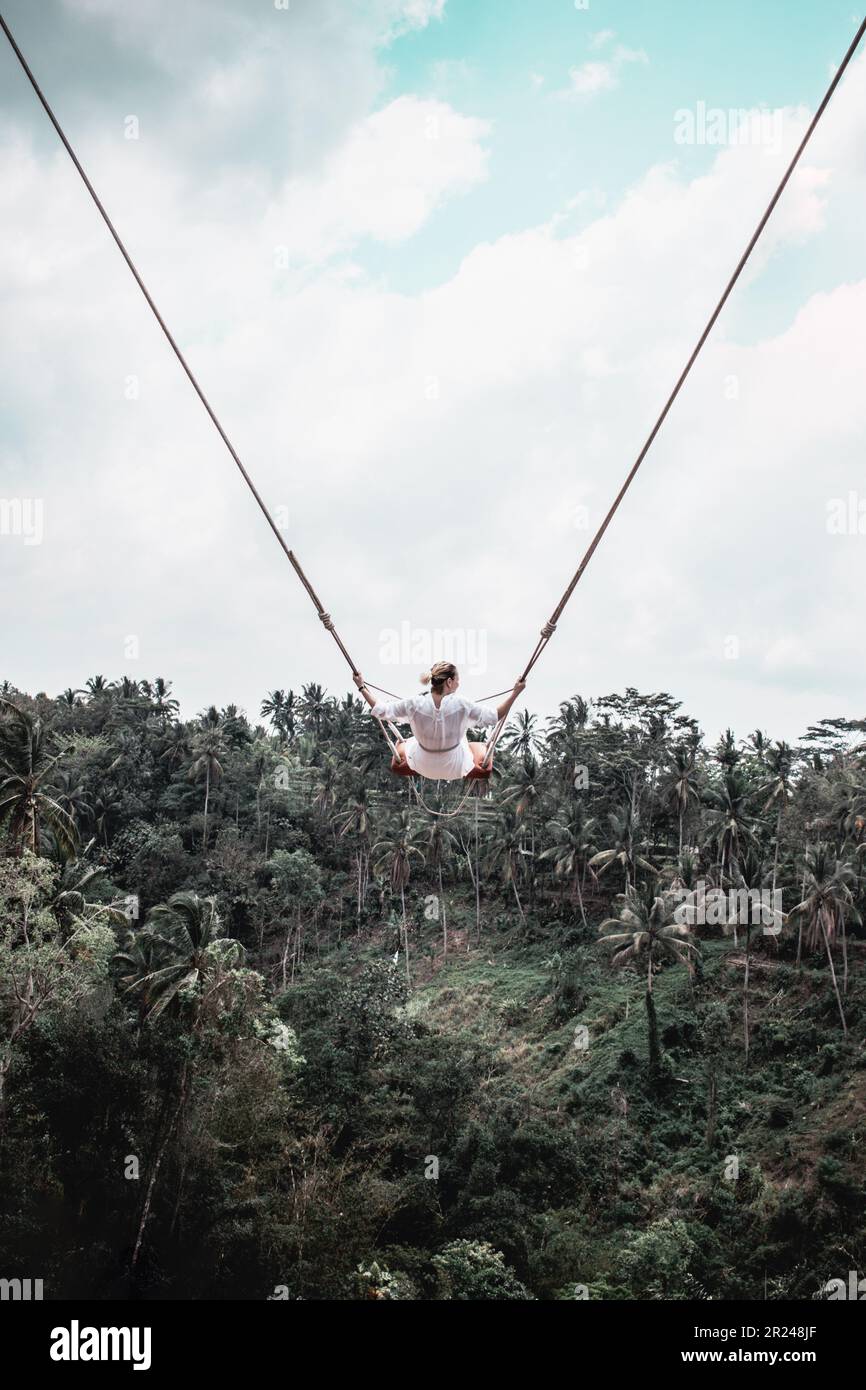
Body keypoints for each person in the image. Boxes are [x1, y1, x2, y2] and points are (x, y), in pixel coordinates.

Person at [353, 661, 526, 781]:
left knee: (409, 742)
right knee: (463, 737)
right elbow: (495, 716)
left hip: (422, 765)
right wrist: (515, 693)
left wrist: (361, 687)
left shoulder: (414, 704)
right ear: (449, 682)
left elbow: (382, 710)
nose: (458, 684)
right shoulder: (462, 705)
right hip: (455, 767)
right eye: (457, 680)